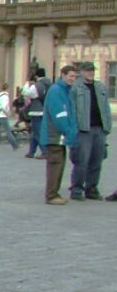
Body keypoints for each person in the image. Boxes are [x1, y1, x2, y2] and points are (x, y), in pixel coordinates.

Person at [69, 60, 111, 200]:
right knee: (82, 161)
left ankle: (91, 188)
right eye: (88, 70)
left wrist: (107, 127)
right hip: (84, 130)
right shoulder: (76, 88)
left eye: (92, 70)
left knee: (97, 161)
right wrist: (73, 128)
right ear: (81, 72)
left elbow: (106, 108)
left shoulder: (100, 87)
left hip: (99, 129)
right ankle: (76, 189)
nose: (91, 72)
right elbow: (72, 109)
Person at [40, 65, 79, 205]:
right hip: (55, 135)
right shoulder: (57, 91)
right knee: (55, 164)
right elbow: (60, 115)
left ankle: (54, 193)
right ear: (62, 75)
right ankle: (51, 195)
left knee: (59, 164)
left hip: (59, 136)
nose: (72, 79)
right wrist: (68, 131)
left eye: (75, 77)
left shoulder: (65, 90)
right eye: (70, 76)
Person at [22, 71, 49, 159]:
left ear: (37, 76)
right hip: (44, 109)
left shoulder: (38, 85)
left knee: (38, 132)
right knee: (34, 132)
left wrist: (27, 84)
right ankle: (31, 151)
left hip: (36, 110)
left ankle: (45, 151)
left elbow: (27, 93)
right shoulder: (49, 84)